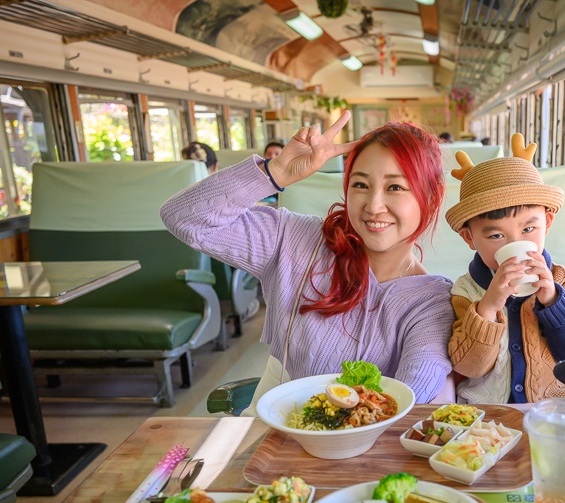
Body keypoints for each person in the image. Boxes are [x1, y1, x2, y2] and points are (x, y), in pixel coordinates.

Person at [161, 110, 455, 405]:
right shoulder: (296, 240)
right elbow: (184, 218)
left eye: (395, 187)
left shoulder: (430, 302)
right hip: (274, 427)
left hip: (371, 433)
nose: (373, 206)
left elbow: (412, 397)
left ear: (430, 197)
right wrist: (275, 172)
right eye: (360, 185)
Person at [444, 133, 565, 404]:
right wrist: (488, 307)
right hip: (488, 413)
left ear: (548, 222)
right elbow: (468, 367)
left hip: (554, 410)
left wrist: (554, 300)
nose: (514, 244)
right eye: (496, 235)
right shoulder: (466, 291)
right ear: (469, 238)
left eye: (529, 229)